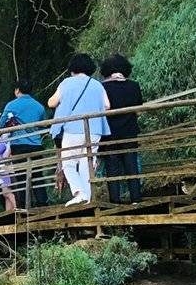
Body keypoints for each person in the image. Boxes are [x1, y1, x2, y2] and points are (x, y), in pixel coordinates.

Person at [48, 54, 110, 206]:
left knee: (68, 162)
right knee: (86, 162)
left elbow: (51, 102)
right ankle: (87, 198)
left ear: (73, 68)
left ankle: (79, 192)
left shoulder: (66, 83)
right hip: (95, 129)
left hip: (73, 129)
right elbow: (107, 105)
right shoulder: (97, 84)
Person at [0, 79, 48, 212]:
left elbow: (1, 124)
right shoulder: (39, 106)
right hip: (36, 145)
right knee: (37, 175)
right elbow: (43, 124)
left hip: (19, 145)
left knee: (21, 175)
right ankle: (42, 204)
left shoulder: (11, 105)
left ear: (17, 90)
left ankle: (24, 206)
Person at [99, 54, 145, 204]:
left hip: (109, 134)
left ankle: (115, 201)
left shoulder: (103, 87)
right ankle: (136, 198)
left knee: (112, 168)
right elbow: (139, 110)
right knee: (131, 166)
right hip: (130, 132)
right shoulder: (134, 85)